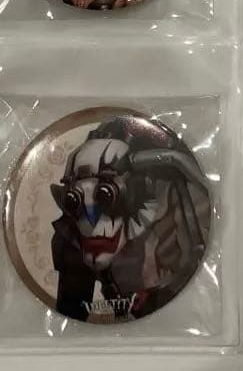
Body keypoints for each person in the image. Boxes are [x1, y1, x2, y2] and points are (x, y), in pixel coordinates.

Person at [50, 115, 210, 321]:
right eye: (76, 200)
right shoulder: (70, 237)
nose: (92, 223)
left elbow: (195, 273)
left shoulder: (174, 208)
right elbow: (71, 313)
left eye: (106, 196)